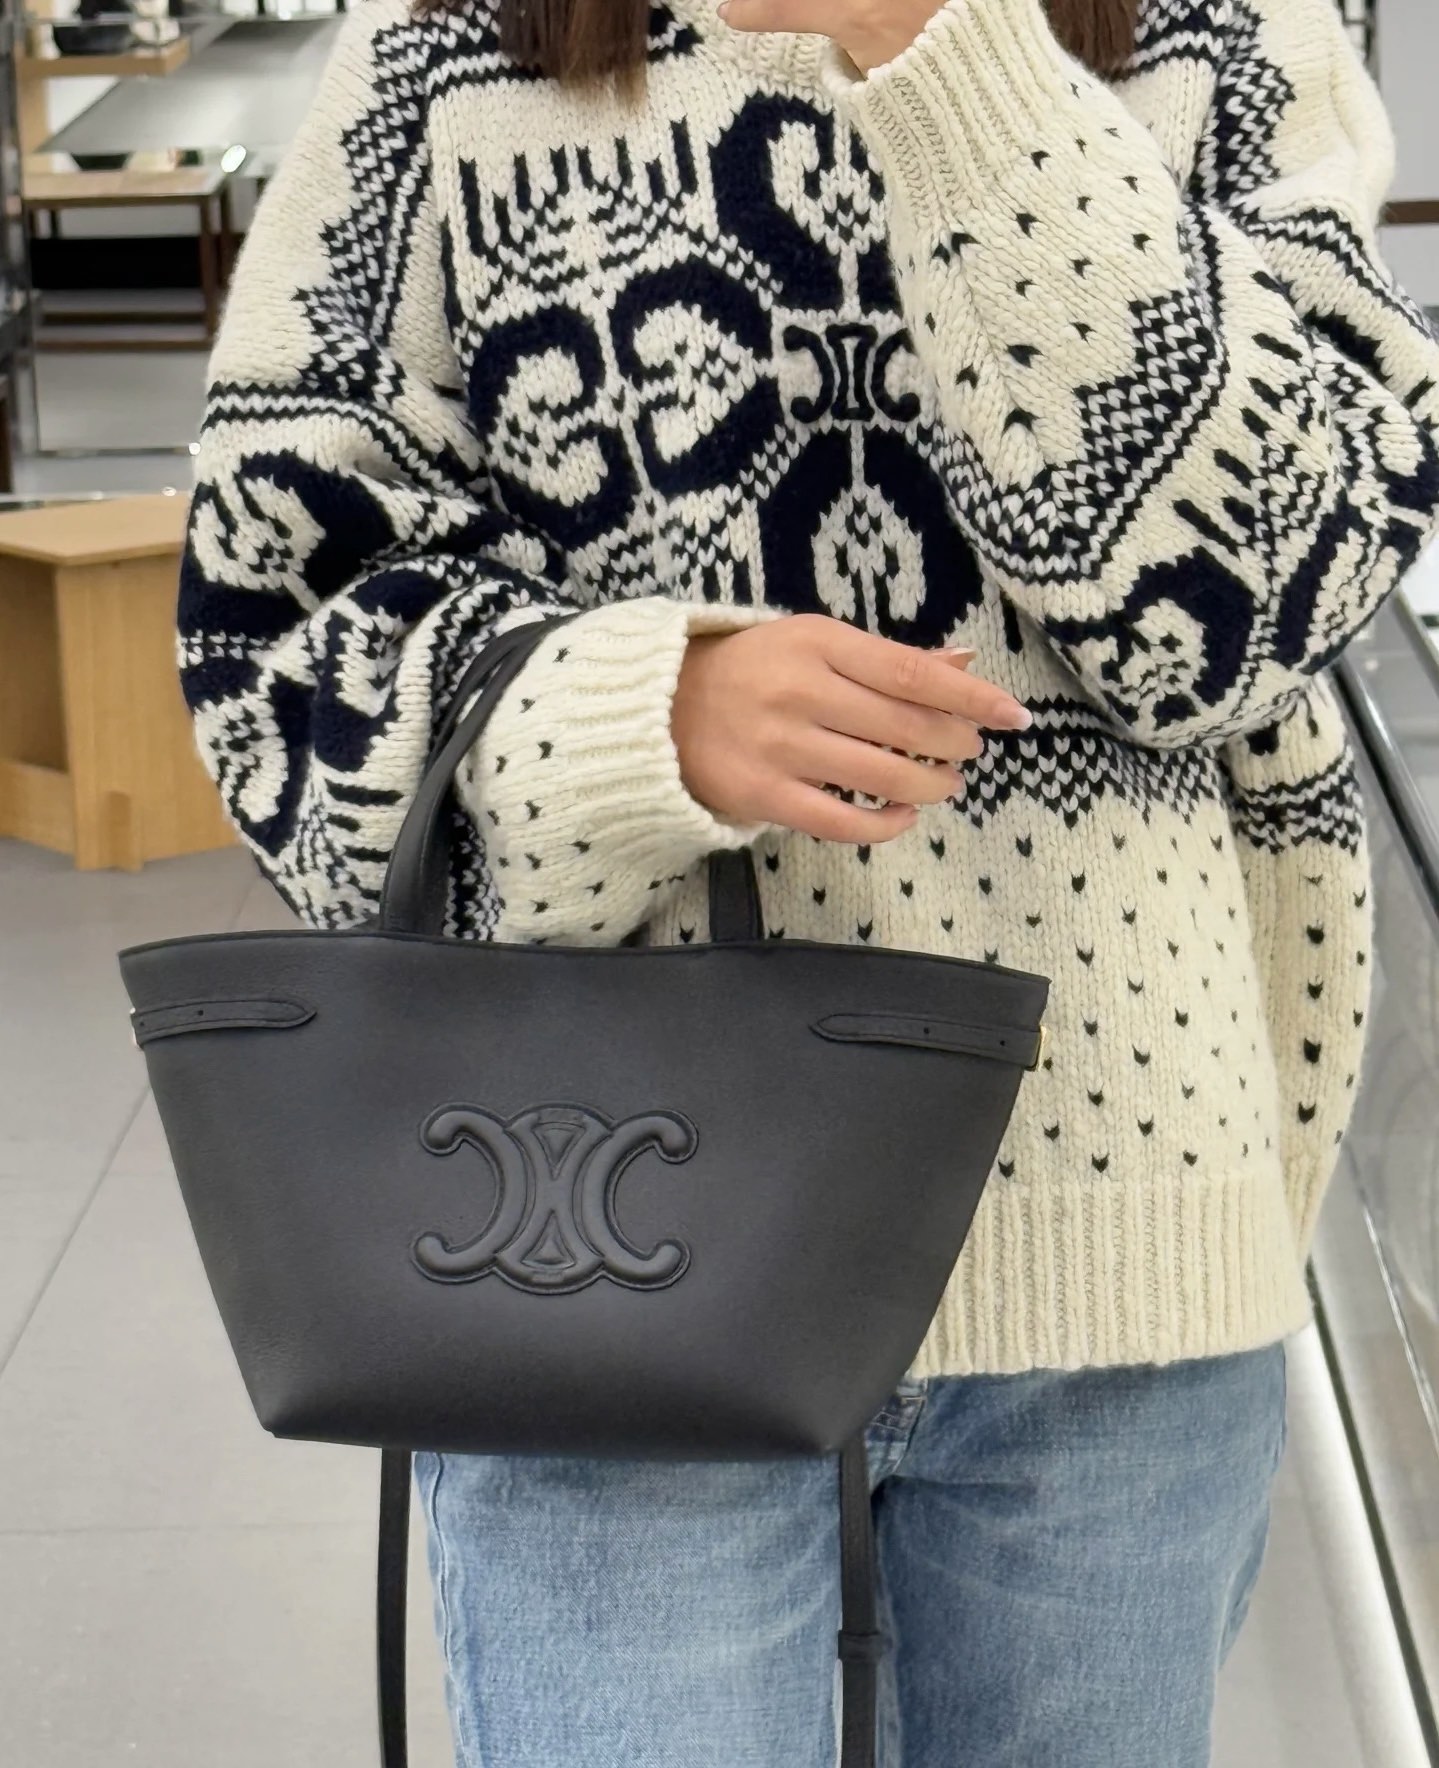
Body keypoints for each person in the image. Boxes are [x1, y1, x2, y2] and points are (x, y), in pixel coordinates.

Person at [177, 0, 1439, 1760]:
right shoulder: (445, 45)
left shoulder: (1224, 32)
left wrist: (959, 59)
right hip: (605, 1240)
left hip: (1123, 1264)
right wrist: (629, 718)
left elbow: (1263, 606)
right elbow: (271, 640)